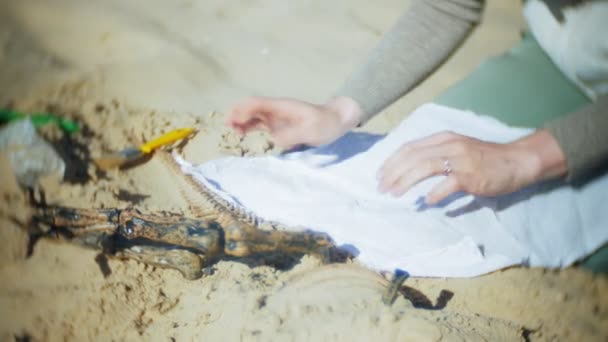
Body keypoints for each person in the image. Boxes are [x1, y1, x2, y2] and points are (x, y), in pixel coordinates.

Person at [226, 1, 608, 268]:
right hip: (554, 58)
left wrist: (529, 156)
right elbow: (449, 6)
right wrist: (339, 112)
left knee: (541, 249)